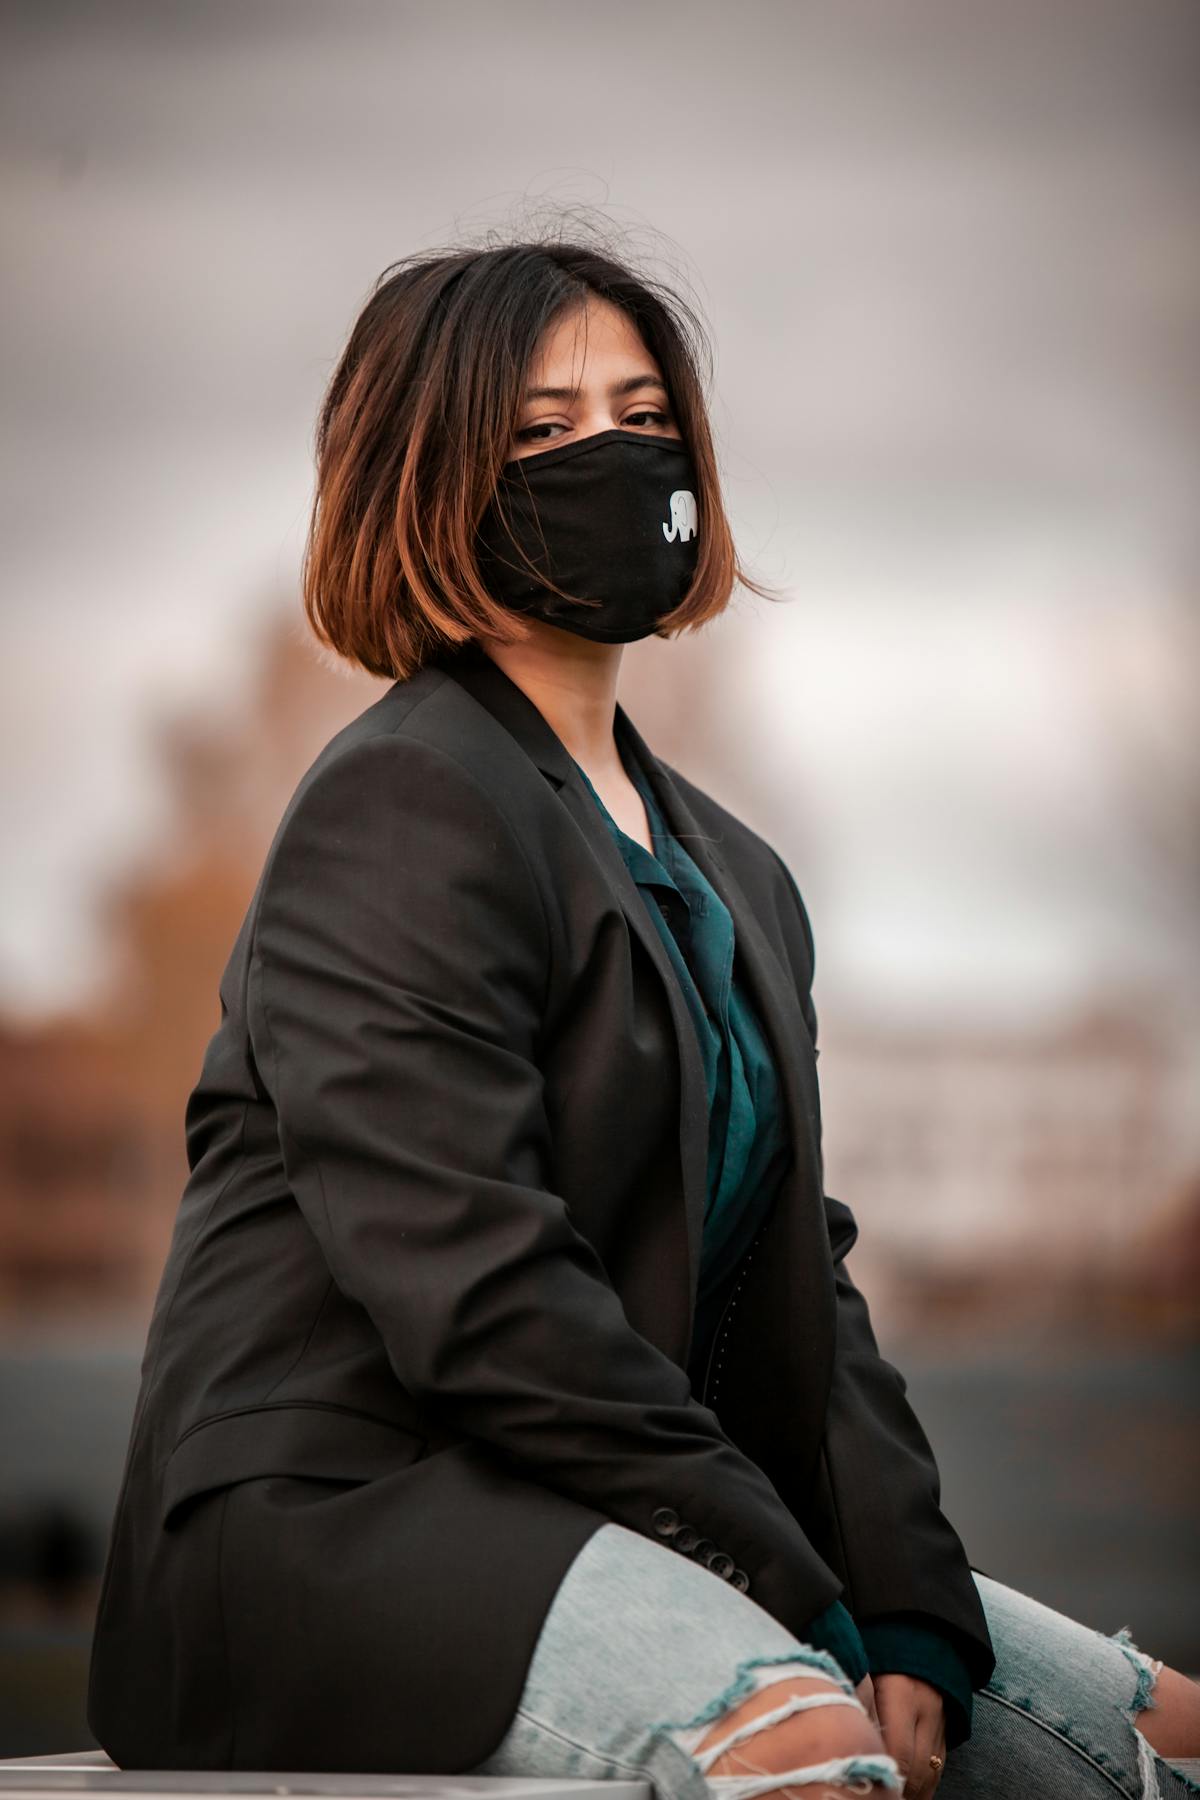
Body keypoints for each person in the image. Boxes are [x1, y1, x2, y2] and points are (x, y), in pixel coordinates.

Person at [86, 235, 1200, 1800]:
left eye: (644, 415)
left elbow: (802, 1285)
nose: (611, 459)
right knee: (802, 1745)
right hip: (339, 1532)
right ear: (428, 482)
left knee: (1150, 1735)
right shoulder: (400, 805)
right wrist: (785, 1587)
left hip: (601, 1506)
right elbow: (478, 1291)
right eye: (542, 433)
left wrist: (904, 1600)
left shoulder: (735, 872)